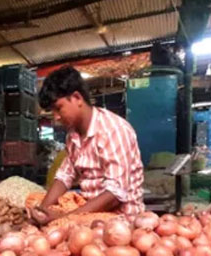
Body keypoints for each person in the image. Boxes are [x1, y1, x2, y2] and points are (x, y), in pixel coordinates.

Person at [31, 66, 145, 225]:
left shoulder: (112, 130)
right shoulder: (73, 135)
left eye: (58, 108)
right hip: (90, 213)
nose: (56, 117)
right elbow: (65, 176)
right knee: (34, 203)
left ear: (77, 98)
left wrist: (66, 219)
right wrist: (42, 210)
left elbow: (115, 194)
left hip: (120, 219)